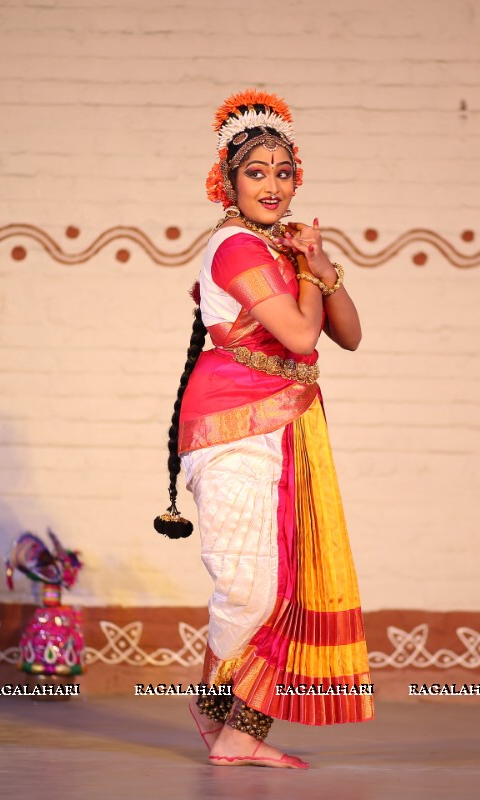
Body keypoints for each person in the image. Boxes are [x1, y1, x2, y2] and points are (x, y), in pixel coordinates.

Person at [154, 89, 373, 770]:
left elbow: (350, 335)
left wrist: (322, 265)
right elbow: (304, 337)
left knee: (283, 582)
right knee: (250, 586)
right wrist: (308, 272)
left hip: (286, 425)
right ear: (227, 180)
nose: (273, 184)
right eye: (257, 172)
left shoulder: (280, 247)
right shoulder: (233, 248)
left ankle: (237, 734)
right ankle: (215, 708)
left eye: (283, 171)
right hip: (234, 426)